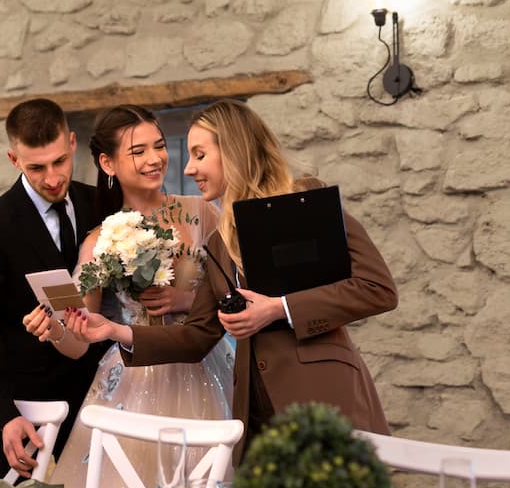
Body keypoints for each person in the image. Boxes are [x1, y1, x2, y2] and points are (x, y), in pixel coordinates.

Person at [64, 99, 395, 464]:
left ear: (232, 151)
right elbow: (196, 336)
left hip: (322, 399)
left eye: (200, 155)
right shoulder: (219, 241)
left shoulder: (302, 197)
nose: (188, 168)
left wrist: (277, 309)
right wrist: (114, 330)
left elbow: (376, 288)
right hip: (254, 413)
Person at [23, 104, 233, 488]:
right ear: (108, 162)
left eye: (158, 146)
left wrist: (189, 301)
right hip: (132, 381)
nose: (155, 159)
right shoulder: (99, 239)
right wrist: (55, 330)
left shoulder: (201, 213)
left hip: (205, 365)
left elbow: (238, 291)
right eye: (138, 151)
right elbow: (80, 341)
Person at [0, 98, 105, 479]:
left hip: (101, 404)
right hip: (26, 415)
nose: (53, 178)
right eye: (36, 168)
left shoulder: (101, 205)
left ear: (72, 143)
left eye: (59, 162)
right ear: (13, 159)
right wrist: (5, 416)